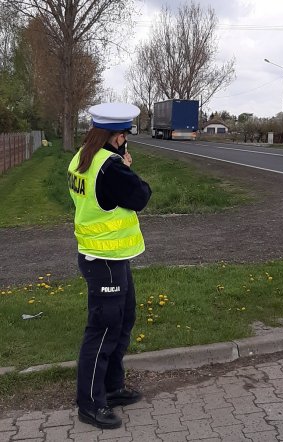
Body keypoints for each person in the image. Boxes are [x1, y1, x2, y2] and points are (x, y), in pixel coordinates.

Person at [68, 102, 152, 429]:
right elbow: (141, 196)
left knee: (123, 319)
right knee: (103, 330)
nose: (125, 141)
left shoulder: (81, 158)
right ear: (117, 138)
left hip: (106, 257)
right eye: (125, 137)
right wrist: (128, 168)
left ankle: (113, 387)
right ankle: (90, 403)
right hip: (103, 260)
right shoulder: (111, 166)